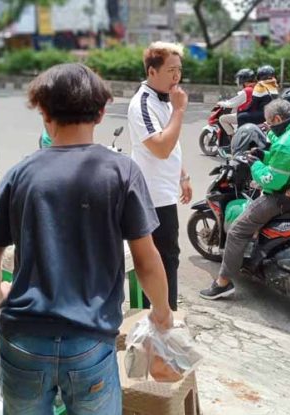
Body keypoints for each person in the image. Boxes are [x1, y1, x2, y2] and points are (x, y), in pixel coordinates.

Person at [0, 63, 173, 414]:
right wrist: (162, 312)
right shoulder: (122, 171)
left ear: (44, 113)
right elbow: (146, 260)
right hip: (89, 344)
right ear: (100, 113)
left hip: (22, 340)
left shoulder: (19, 173)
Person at [199, 99, 290, 300]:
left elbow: (272, 180)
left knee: (237, 231)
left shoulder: (286, 143)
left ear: (277, 119)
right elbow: (288, 162)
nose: (269, 127)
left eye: (269, 122)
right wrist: (264, 155)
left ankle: (223, 283)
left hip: (282, 199)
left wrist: (255, 165)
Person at [127, 41, 191, 311]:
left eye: (179, 70)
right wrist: (178, 110)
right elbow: (161, 147)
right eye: (170, 70)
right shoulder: (142, 103)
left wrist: (183, 176)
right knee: (157, 258)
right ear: (152, 71)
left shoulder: (165, 99)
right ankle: (157, 314)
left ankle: (167, 312)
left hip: (164, 191)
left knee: (169, 256)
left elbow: (172, 143)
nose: (176, 76)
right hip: (150, 195)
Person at [216, 68, 256, 145]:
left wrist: (220, 103)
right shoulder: (255, 88)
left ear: (243, 79)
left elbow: (232, 104)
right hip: (254, 114)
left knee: (222, 119)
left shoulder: (246, 91)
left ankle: (233, 138)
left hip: (246, 116)